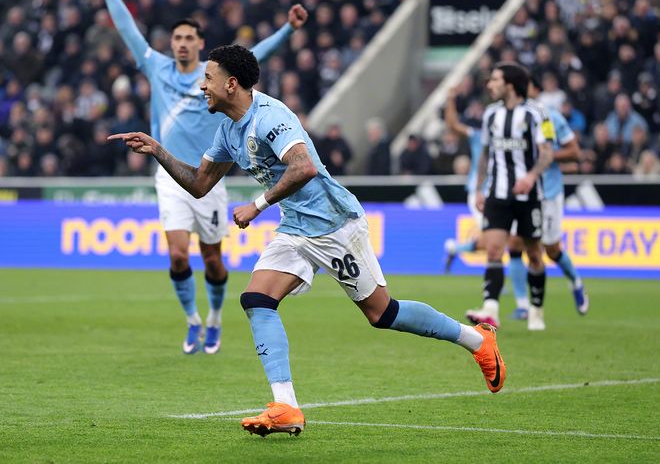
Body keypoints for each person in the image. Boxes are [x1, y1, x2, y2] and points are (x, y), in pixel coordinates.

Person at [110, 44, 507, 437]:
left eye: (208, 79)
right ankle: (286, 406)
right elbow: (200, 183)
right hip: (296, 228)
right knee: (257, 300)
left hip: (335, 224)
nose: (202, 86)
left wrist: (257, 206)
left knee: (382, 314)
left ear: (231, 84)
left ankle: (476, 340)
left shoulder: (270, 116)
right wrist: (158, 150)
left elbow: (304, 168)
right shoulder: (228, 130)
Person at [92, 0, 308, 354]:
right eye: (177, 37)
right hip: (169, 176)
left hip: (207, 177)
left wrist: (287, 29)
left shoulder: (213, 79)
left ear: (198, 43)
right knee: (178, 255)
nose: (181, 42)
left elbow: (256, 55)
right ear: (171, 42)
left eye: (189, 37)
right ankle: (192, 320)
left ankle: (214, 319)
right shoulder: (156, 68)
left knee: (212, 260)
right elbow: (126, 28)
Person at [465, 62, 554, 331]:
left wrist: (531, 176)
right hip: (497, 193)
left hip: (529, 196)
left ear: (510, 85)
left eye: (495, 80)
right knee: (493, 250)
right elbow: (485, 154)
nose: (489, 84)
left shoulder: (537, 113)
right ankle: (490, 311)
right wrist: (479, 188)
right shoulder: (491, 114)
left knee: (534, 254)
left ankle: (536, 310)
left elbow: (547, 152)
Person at [507, 77, 589, 321]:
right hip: (521, 193)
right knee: (515, 245)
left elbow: (574, 152)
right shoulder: (509, 118)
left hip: (549, 193)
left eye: (526, 86)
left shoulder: (549, 117)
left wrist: (545, 156)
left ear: (535, 90)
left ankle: (575, 280)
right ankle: (523, 305)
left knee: (552, 250)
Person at [442, 88, 485, 272]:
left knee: (498, 239)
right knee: (494, 238)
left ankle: (455, 249)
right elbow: (453, 125)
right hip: (479, 192)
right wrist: (450, 99)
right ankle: (494, 284)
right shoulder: (479, 136)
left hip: (503, 191)